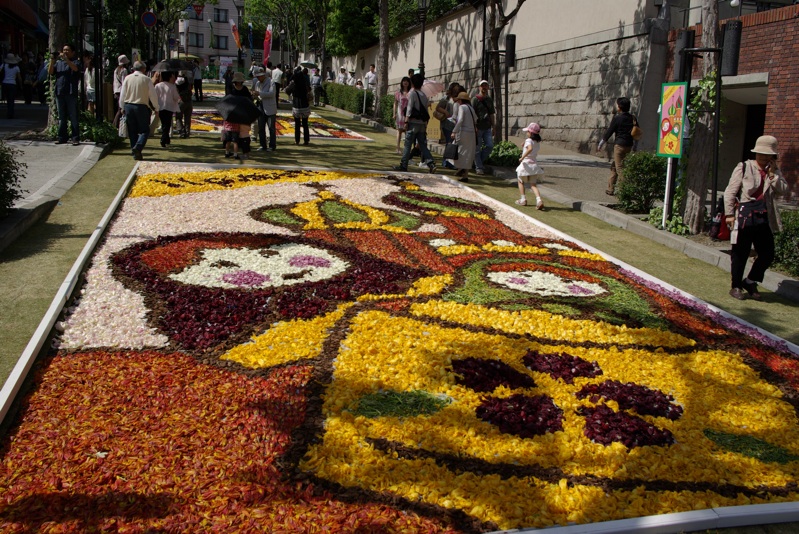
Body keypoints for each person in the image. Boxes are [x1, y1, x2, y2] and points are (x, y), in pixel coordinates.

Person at [723, 135, 788, 301]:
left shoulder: (773, 172)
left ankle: (750, 280)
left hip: (764, 216)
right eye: (760, 153)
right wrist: (729, 214)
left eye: (767, 155)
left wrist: (773, 175)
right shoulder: (744, 167)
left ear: (773, 157)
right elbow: (730, 191)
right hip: (745, 215)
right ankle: (736, 285)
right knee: (740, 253)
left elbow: (783, 190)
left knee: (767, 253)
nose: (763, 157)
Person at [394, 73, 436, 173]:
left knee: (407, 144)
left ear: (412, 83)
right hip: (422, 123)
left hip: (413, 122)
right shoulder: (424, 95)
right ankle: (431, 163)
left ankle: (403, 165)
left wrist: (406, 120)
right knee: (423, 145)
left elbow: (409, 108)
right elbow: (425, 110)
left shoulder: (412, 94)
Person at [118, 60, 159, 160]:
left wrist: (122, 107)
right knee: (145, 130)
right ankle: (138, 147)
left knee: (132, 131)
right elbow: (152, 95)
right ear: (143, 69)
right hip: (141, 106)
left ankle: (135, 151)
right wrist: (156, 107)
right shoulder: (146, 79)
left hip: (128, 106)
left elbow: (123, 94)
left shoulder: (127, 78)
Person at [597, 96, 636, 196]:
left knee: (620, 168)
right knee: (614, 166)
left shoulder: (618, 118)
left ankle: (625, 191)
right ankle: (610, 188)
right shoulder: (633, 118)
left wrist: (601, 143)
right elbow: (636, 131)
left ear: (620, 107)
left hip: (619, 145)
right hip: (629, 145)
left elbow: (610, 131)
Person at [48, 44, 82, 145]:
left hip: (71, 93)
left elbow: (75, 69)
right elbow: (50, 72)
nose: (65, 52)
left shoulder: (76, 62)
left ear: (73, 52)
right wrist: (52, 60)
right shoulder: (58, 63)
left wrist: (66, 59)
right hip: (60, 92)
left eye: (67, 50)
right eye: (64, 50)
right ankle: (62, 137)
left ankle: (75, 138)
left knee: (73, 116)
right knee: (61, 117)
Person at [515, 122, 546, 209]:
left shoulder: (529, 141)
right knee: (533, 185)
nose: (527, 133)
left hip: (526, 164)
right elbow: (531, 146)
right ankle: (539, 200)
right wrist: (524, 143)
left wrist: (522, 157)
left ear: (531, 132)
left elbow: (530, 148)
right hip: (534, 165)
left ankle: (523, 199)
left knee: (520, 181)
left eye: (528, 131)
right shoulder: (536, 142)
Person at [451, 91, 477, 183]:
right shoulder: (471, 108)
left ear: (461, 100)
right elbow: (475, 119)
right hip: (472, 133)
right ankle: (465, 174)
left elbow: (460, 119)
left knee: (459, 151)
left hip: (464, 132)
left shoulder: (462, 107)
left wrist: (454, 131)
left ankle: (460, 168)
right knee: (468, 153)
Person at [471, 79, 495, 175]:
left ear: (488, 87)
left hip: (487, 127)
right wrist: (474, 126)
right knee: (477, 148)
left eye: (486, 86)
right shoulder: (475, 99)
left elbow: (492, 114)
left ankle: (477, 161)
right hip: (478, 127)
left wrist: (494, 126)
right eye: (482, 86)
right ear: (479, 87)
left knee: (489, 146)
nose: (484, 87)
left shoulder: (489, 100)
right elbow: (472, 114)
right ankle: (479, 167)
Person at [436, 82, 460, 169]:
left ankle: (447, 161)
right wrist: (445, 112)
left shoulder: (458, 98)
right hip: (446, 123)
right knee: (450, 142)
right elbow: (438, 107)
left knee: (450, 143)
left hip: (454, 123)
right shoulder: (446, 98)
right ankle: (447, 162)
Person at [155, 71, 181, 148]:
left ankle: (166, 138)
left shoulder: (158, 85)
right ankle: (164, 139)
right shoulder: (172, 86)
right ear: (169, 77)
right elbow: (176, 97)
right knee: (167, 123)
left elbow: (155, 96)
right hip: (169, 107)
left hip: (161, 106)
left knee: (164, 123)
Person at [253, 67, 277, 151]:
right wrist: (254, 95)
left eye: (260, 76)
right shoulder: (257, 83)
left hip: (270, 107)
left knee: (271, 128)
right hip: (260, 106)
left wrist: (259, 93)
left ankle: (272, 145)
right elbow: (258, 95)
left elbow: (271, 93)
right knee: (261, 127)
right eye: (258, 77)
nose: (259, 78)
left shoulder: (271, 82)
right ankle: (263, 145)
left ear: (264, 75)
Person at [289, 66, 311, 145]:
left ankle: (297, 140)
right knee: (305, 124)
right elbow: (309, 90)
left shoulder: (294, 84)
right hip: (305, 105)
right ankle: (306, 140)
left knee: (297, 124)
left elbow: (287, 90)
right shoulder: (305, 83)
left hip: (296, 106)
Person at [393, 76, 411, 154]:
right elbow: (395, 103)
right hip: (400, 114)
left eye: (407, 81)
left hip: (408, 114)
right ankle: (397, 147)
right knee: (399, 131)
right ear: (402, 82)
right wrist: (394, 114)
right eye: (404, 81)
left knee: (407, 132)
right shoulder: (398, 93)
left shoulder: (411, 93)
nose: (405, 82)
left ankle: (406, 149)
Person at [1, 53, 22, 119]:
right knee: (11, 99)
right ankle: (11, 113)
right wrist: (21, 85)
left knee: (7, 99)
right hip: (12, 84)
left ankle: (8, 112)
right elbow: (19, 78)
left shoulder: (3, 65)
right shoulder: (16, 68)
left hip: (5, 83)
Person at [175, 71, 193, 138]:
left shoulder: (176, 82)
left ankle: (181, 131)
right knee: (187, 117)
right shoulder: (187, 80)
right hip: (189, 100)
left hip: (181, 100)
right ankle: (187, 132)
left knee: (178, 117)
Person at [113, 54, 130, 122]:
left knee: (119, 108)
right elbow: (124, 82)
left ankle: (117, 124)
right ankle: (115, 124)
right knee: (121, 109)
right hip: (121, 91)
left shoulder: (116, 70)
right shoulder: (124, 70)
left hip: (116, 91)